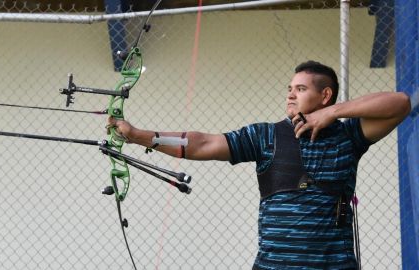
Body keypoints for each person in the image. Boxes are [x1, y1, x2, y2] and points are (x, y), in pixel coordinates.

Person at [108, 60, 411, 269]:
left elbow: (400, 103)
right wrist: (138, 136)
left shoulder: (348, 136)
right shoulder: (266, 135)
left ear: (325, 95)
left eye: (301, 89)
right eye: (290, 88)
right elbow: (204, 143)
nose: (291, 94)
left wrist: (333, 114)